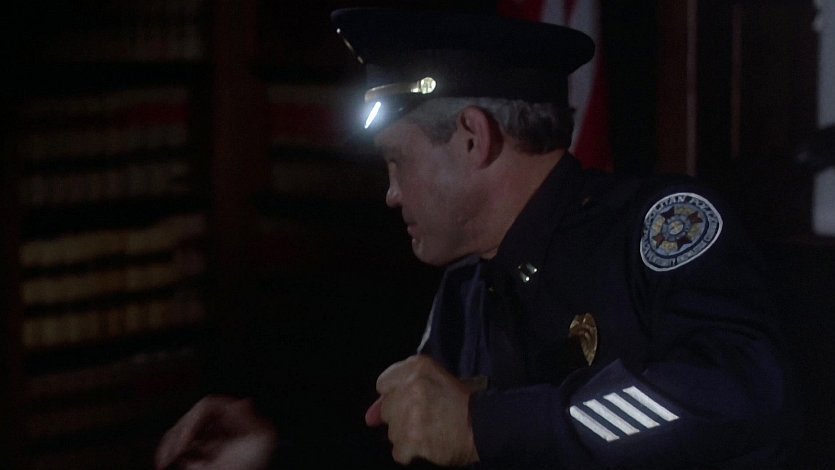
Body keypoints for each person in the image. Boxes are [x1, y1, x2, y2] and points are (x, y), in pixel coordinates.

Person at [155, 6, 799, 469]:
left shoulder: (657, 226)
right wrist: (278, 452)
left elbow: (741, 396)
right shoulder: (467, 290)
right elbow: (422, 447)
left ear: (471, 138)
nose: (391, 194)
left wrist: (487, 425)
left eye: (397, 161)